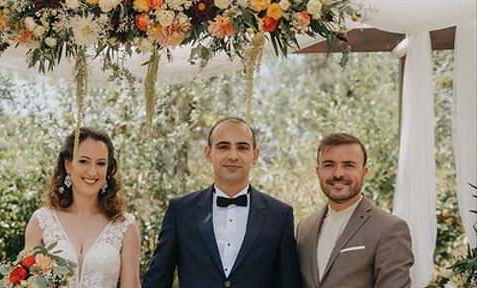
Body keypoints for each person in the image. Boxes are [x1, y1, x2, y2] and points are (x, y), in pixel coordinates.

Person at [143, 117, 301, 287]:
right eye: (224, 147)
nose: (233, 155)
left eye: (242, 147)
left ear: (254, 156)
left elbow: (289, 283)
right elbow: (157, 279)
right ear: (209, 153)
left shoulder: (280, 215)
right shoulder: (180, 211)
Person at [25, 127, 141, 288]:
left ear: (108, 169)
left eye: (100, 163)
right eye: (84, 161)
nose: (92, 171)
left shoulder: (125, 225)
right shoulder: (41, 221)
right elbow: (27, 282)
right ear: (68, 165)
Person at [296, 132, 414, 288]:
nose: (338, 173)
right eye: (329, 165)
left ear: (364, 172)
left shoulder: (390, 228)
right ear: (318, 171)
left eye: (348, 165)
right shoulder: (304, 228)